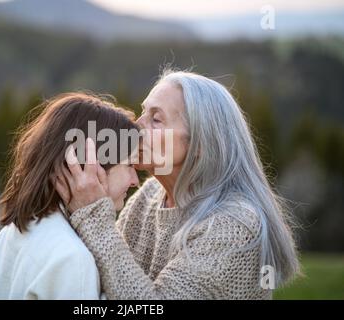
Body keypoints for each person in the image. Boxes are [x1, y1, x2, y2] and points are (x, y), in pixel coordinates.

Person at [55, 70, 301, 299]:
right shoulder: (150, 195)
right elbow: (106, 277)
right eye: (143, 112)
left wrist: (93, 217)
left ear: (200, 144)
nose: (136, 126)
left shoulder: (233, 227)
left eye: (156, 119)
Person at [0, 92, 139, 299]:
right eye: (129, 165)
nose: (135, 180)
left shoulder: (11, 234)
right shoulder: (72, 259)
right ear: (90, 166)